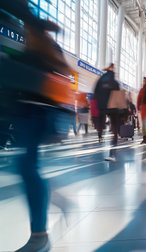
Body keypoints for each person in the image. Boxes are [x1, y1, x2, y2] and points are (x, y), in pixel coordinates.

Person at [0, 1, 73, 250]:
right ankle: (44, 219)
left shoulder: (43, 47)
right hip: (25, 112)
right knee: (25, 166)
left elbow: (59, 86)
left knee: (26, 167)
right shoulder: (34, 43)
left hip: (37, 114)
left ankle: (40, 233)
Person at [93, 63, 121, 162]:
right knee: (114, 132)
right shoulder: (115, 83)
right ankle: (112, 155)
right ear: (112, 69)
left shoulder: (100, 79)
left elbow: (95, 93)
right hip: (113, 108)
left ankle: (100, 136)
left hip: (102, 108)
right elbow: (119, 99)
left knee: (100, 124)